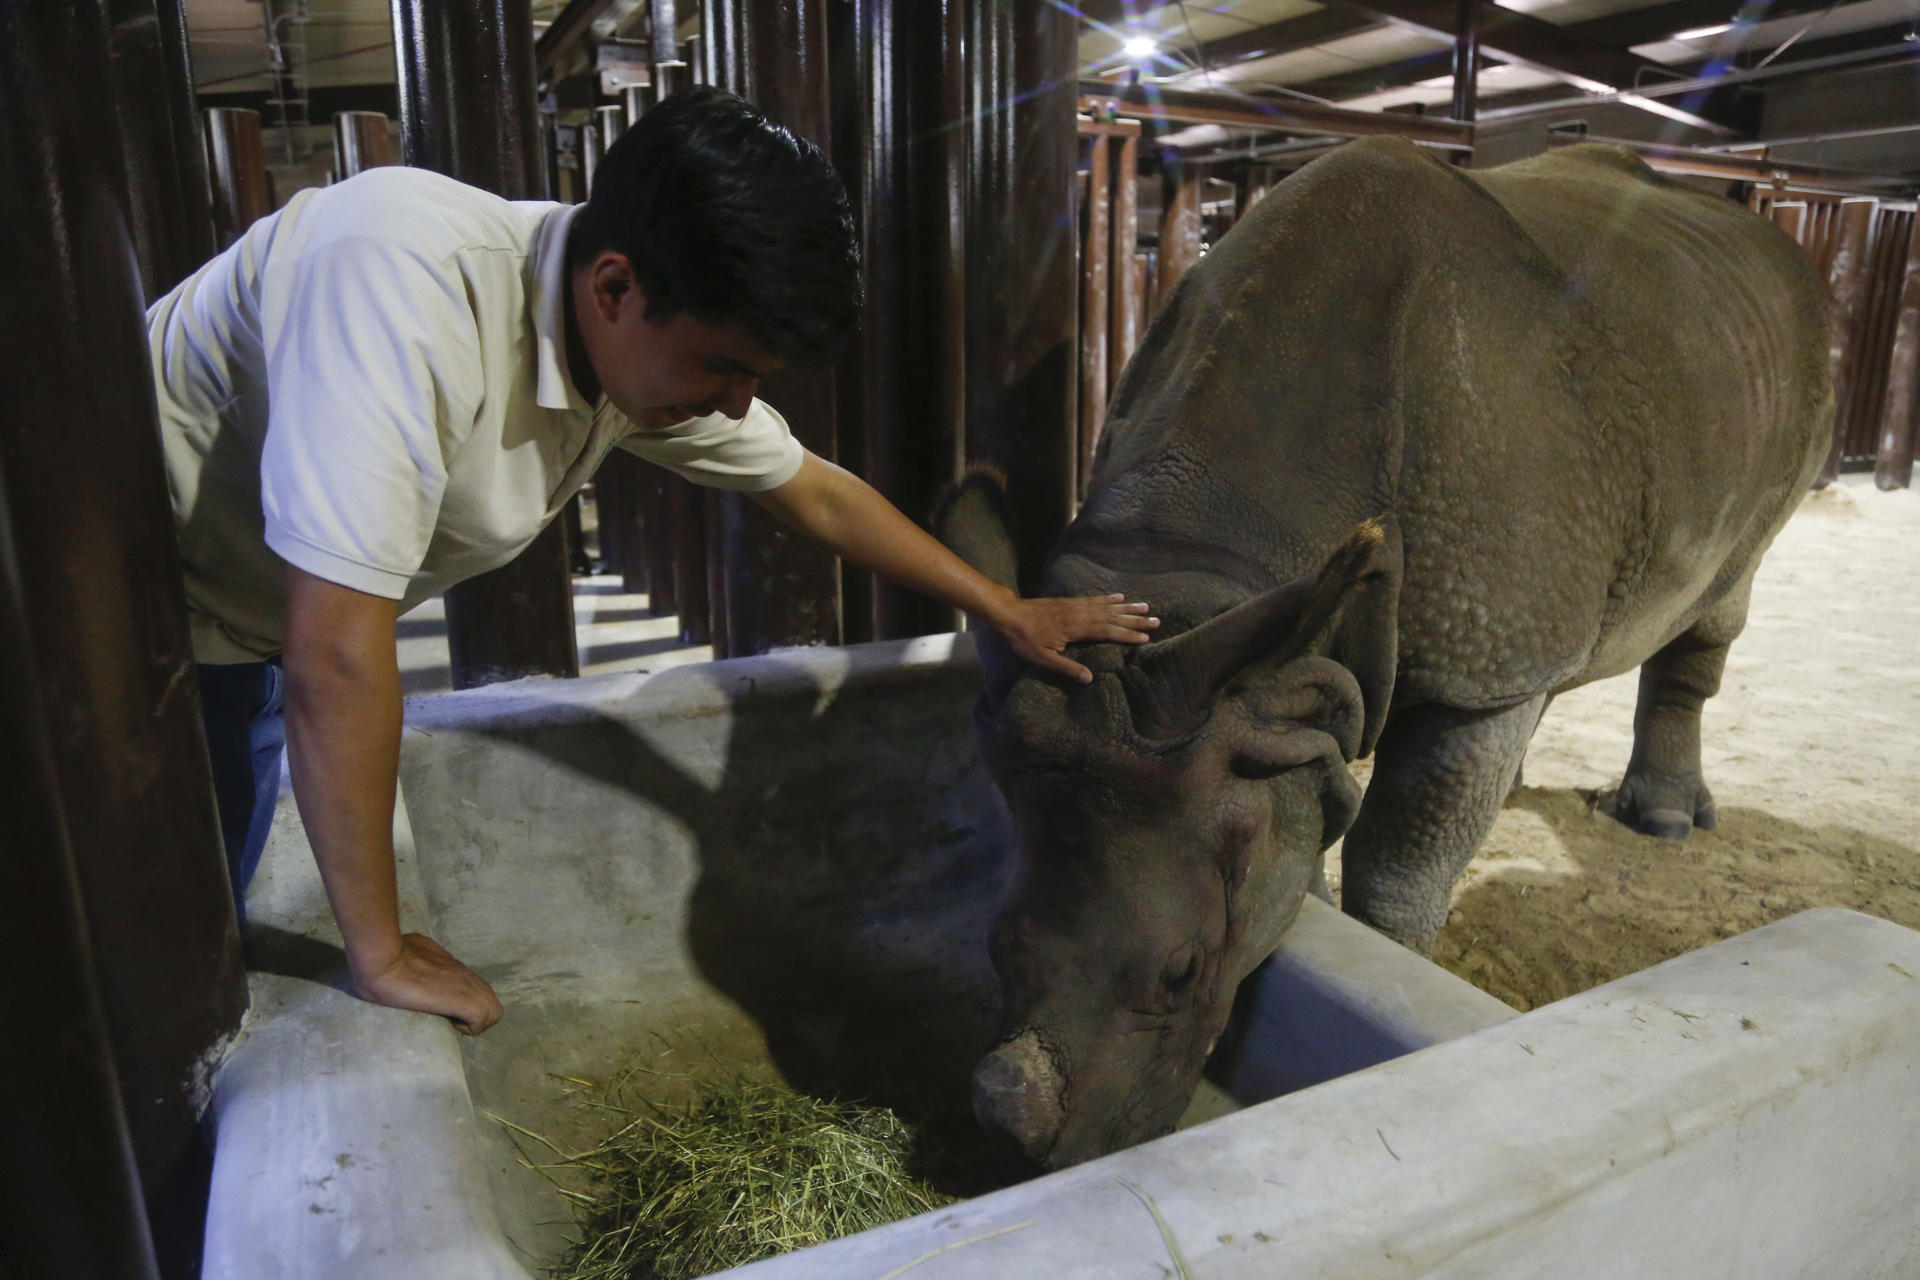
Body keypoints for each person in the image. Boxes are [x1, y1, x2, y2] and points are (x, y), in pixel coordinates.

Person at [147, 86, 1157, 1036]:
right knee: (158, 966)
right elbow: (337, 653)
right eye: (725, 365)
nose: (731, 401)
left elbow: (814, 488)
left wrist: (1005, 610)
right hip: (135, 631)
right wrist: (378, 949)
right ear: (616, 284)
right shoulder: (399, 283)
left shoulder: (616, 340)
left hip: (250, 623)